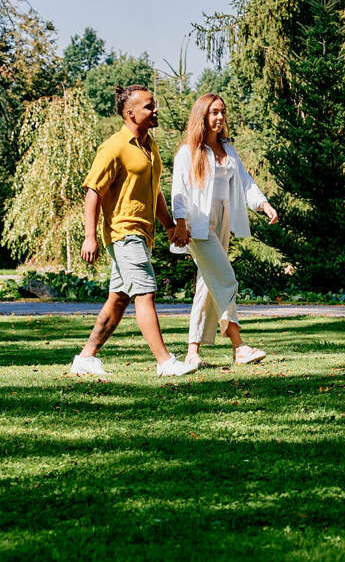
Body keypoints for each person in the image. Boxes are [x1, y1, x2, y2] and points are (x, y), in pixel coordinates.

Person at [70, 84, 194, 378]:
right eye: (149, 107)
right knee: (145, 292)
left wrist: (169, 224)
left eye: (154, 106)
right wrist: (90, 236)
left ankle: (86, 357)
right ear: (130, 113)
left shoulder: (149, 146)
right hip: (124, 232)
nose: (155, 111)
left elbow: (155, 192)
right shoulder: (114, 147)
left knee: (120, 298)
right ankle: (164, 361)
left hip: (143, 232)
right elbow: (93, 192)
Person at [170, 93, 277, 368]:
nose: (219, 117)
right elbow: (178, 191)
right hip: (198, 225)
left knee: (207, 286)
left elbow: (244, 181)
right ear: (202, 116)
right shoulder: (188, 151)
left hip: (224, 218)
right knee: (226, 278)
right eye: (214, 112)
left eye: (222, 112)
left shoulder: (228, 149)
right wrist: (180, 223)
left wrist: (263, 204)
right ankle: (238, 345)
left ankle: (192, 352)